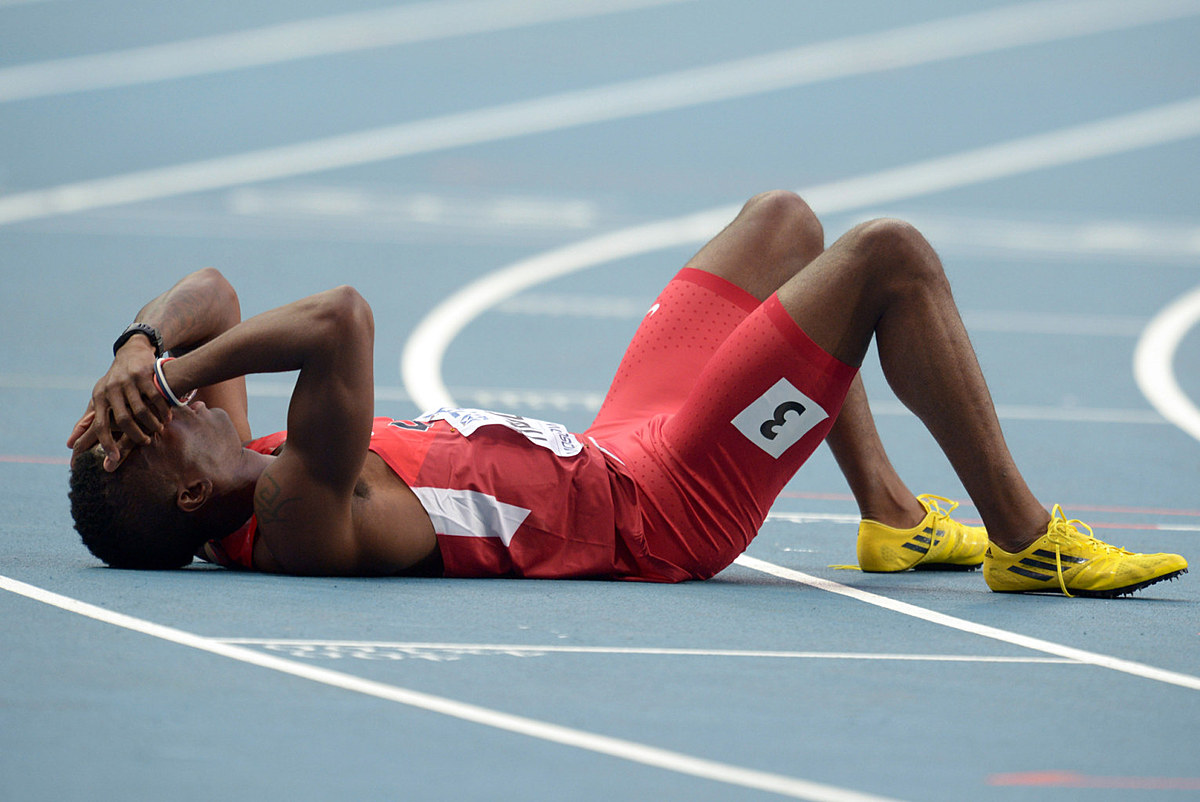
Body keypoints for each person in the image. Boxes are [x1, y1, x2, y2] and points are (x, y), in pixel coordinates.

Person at [68, 191, 1187, 597]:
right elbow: (342, 316)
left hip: (615, 443)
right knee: (886, 255)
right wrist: (164, 372)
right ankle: (1026, 539)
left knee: (784, 225)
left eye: (158, 406)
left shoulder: (241, 450)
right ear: (186, 504)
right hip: (665, 507)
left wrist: (136, 348)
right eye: (162, 433)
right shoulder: (296, 518)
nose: (178, 410)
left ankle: (891, 517)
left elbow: (210, 293)